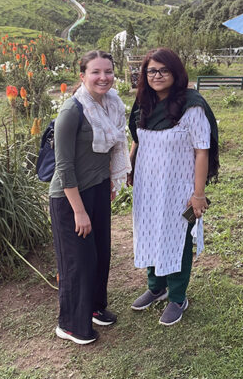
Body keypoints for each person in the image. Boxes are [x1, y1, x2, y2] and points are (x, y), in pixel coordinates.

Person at [128, 47, 219, 326]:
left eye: (163, 70)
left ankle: (178, 296)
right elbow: (138, 137)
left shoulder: (191, 106)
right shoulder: (143, 102)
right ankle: (156, 286)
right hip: (148, 186)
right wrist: (131, 166)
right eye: (151, 70)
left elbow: (202, 150)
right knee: (150, 230)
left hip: (179, 189)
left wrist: (198, 194)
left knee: (177, 238)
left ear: (176, 72)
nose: (157, 75)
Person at [49, 50, 131, 345]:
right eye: (96, 72)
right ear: (82, 76)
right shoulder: (72, 111)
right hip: (70, 196)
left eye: (108, 71)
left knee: (100, 255)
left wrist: (109, 179)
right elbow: (64, 167)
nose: (103, 77)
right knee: (77, 261)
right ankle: (69, 324)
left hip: (97, 188)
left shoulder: (111, 105)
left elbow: (110, 150)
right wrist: (79, 212)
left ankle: (94, 307)